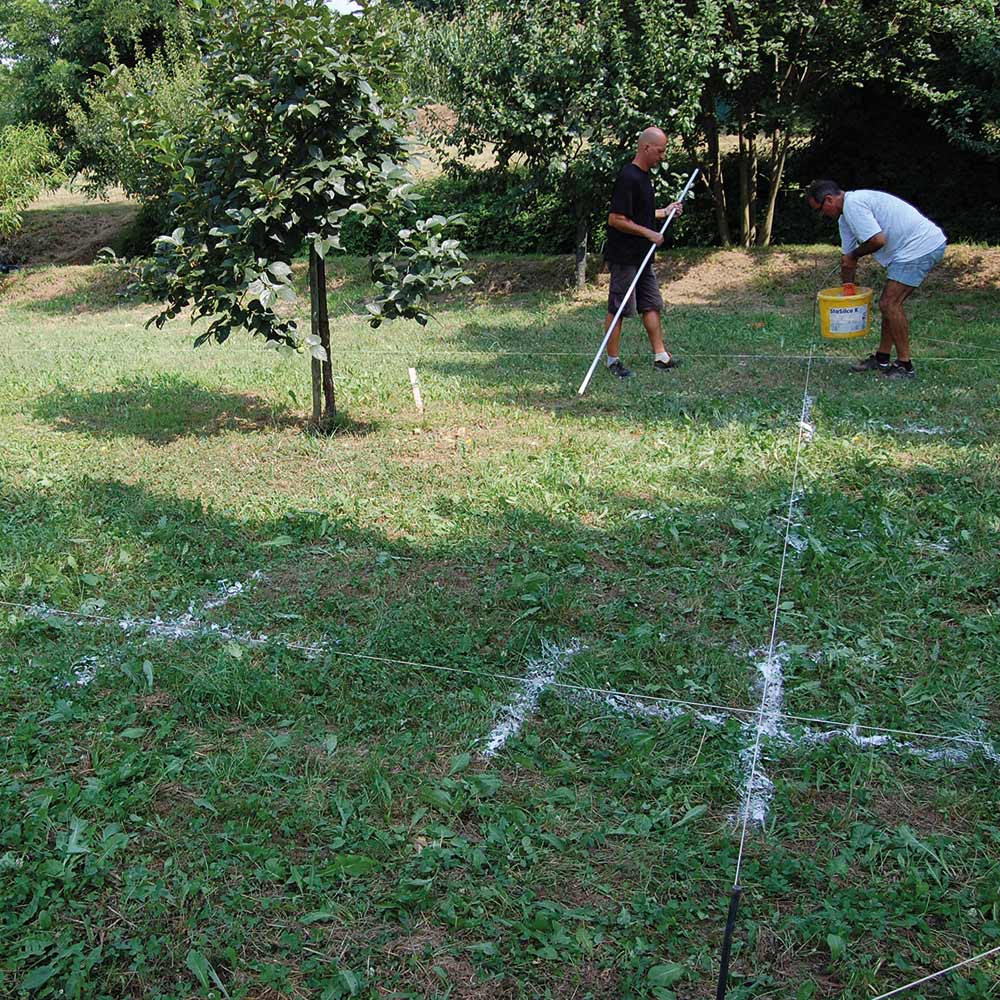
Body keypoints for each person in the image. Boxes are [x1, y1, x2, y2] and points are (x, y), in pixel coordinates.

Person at [806, 180, 947, 379]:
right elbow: (847, 259)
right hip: (908, 251)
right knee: (890, 304)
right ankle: (882, 358)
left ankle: (905, 366)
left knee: (890, 303)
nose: (822, 215)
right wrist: (848, 289)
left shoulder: (854, 204)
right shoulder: (845, 218)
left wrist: (854, 255)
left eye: (820, 209)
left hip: (921, 246)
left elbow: (877, 240)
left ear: (829, 200)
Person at [602, 127, 685, 379]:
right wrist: (651, 234)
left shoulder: (644, 177)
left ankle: (661, 355)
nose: (663, 156)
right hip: (625, 256)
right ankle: (612, 360)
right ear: (646, 148)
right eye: (660, 151)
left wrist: (665, 211)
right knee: (619, 308)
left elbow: (641, 215)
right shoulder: (629, 177)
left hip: (643, 256)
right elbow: (616, 219)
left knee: (651, 304)